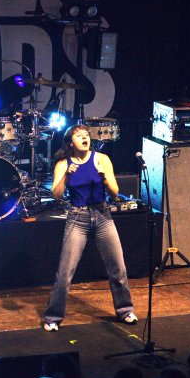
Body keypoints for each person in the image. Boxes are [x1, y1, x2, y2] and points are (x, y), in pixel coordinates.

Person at [42, 124, 136, 331]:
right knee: (65, 271)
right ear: (70, 143)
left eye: (86, 135)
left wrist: (105, 179)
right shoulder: (63, 164)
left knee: (118, 267)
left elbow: (115, 192)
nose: (85, 137)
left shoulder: (101, 159)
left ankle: (125, 310)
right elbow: (56, 195)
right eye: (79, 135)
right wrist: (66, 176)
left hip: (102, 215)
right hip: (78, 217)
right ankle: (52, 317)